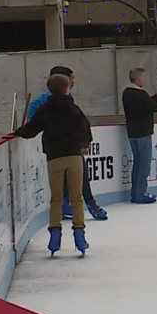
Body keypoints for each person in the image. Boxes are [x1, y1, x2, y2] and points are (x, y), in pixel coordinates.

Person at [13, 73, 92, 256]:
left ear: (49, 90)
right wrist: (83, 143)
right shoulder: (74, 109)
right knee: (76, 197)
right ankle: (79, 235)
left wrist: (17, 132)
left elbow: (31, 130)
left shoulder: (45, 110)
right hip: (73, 157)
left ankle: (54, 236)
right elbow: (86, 131)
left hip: (54, 158)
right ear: (67, 89)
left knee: (56, 198)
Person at [28, 66, 108, 221]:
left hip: (58, 150)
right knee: (79, 177)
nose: (74, 82)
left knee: (66, 182)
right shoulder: (50, 103)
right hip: (67, 149)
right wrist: (84, 141)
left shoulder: (62, 99)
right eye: (71, 78)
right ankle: (86, 207)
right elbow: (81, 124)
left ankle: (63, 215)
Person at [122, 67, 157, 204]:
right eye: (143, 77)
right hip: (143, 133)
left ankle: (135, 192)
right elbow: (153, 107)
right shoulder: (140, 94)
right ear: (138, 78)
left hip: (133, 132)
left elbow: (146, 103)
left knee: (137, 163)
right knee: (144, 164)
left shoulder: (127, 93)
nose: (144, 80)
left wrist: (156, 96)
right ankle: (140, 193)